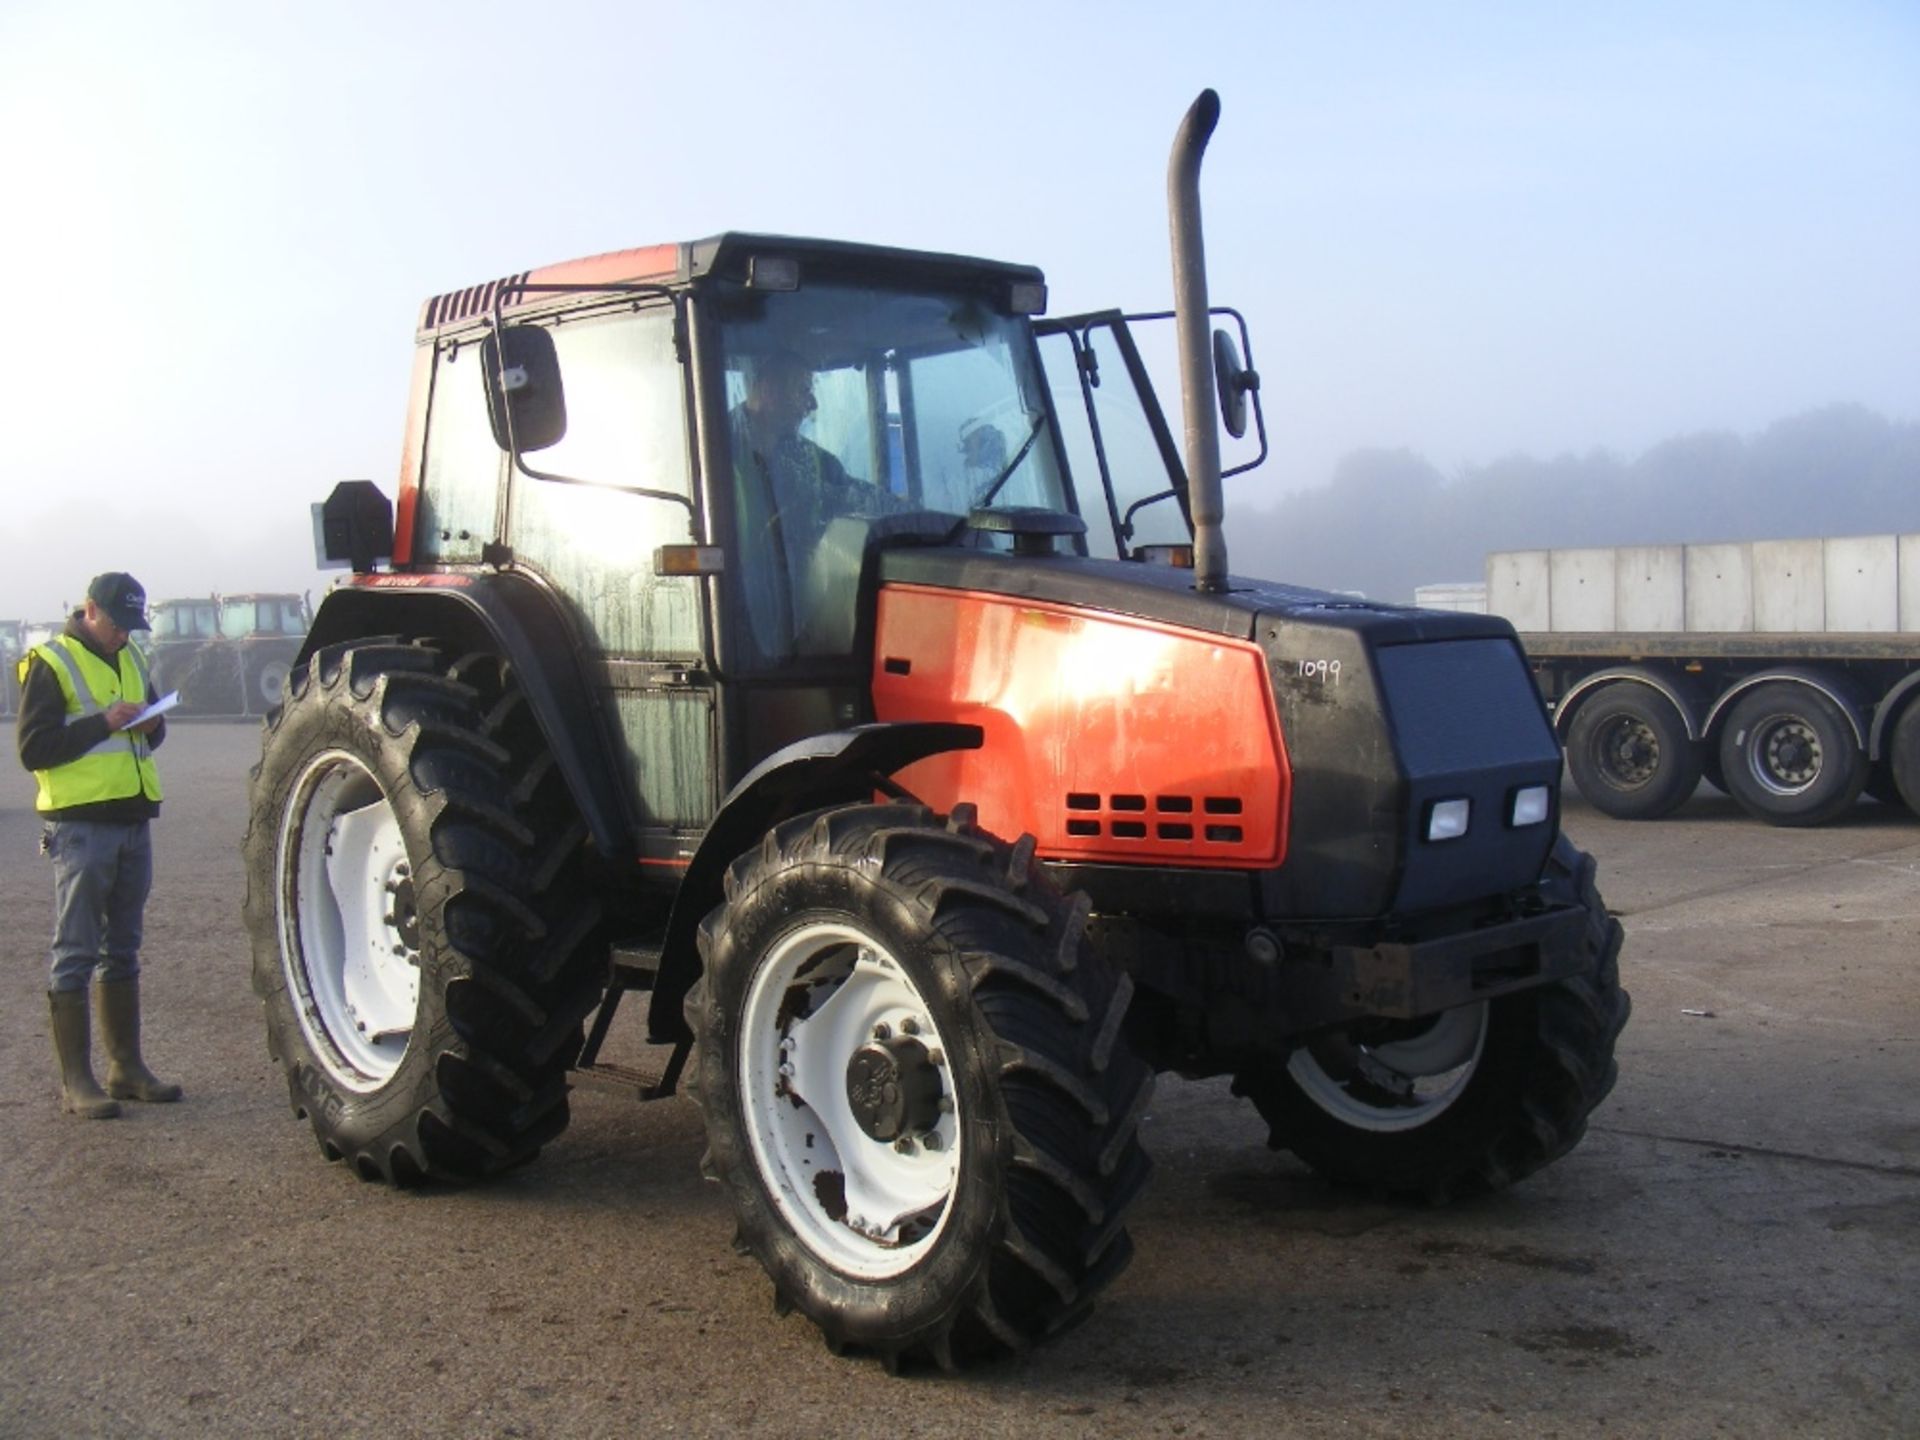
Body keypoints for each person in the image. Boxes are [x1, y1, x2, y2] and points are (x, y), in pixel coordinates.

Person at [16, 572, 180, 1119]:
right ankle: (78, 1082)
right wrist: (104, 723)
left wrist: (147, 726)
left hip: (133, 818)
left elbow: (153, 730)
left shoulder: (131, 656)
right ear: (90, 610)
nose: (123, 637)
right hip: (80, 825)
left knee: (123, 947)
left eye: (132, 626)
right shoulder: (52, 661)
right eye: (117, 625)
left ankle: (126, 1069)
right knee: (76, 951)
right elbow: (34, 747)